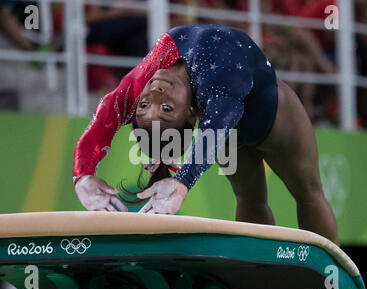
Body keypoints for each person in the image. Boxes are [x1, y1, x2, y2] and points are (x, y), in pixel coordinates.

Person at [74, 24, 338, 245]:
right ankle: (260, 279)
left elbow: (108, 110)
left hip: (272, 117)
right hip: (248, 127)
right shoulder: (217, 80)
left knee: (307, 193)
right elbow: (218, 126)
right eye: (166, 109)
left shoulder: (154, 70)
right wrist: (182, 181)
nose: (155, 94)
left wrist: (83, 174)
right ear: (191, 114)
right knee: (250, 199)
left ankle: (332, 280)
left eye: (143, 106)